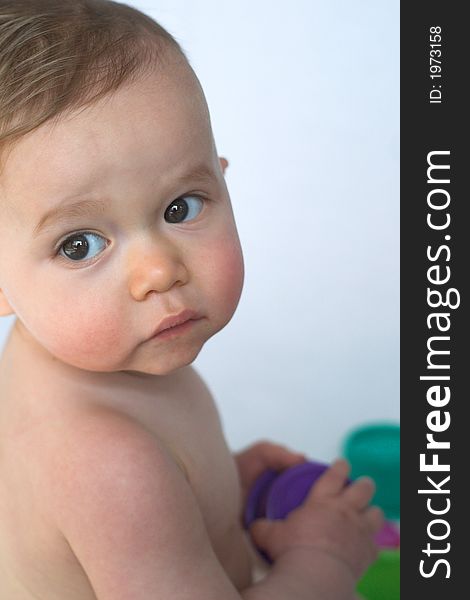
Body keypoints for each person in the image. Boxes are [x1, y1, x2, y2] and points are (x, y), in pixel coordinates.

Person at [0, 1, 384, 598]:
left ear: (222, 180)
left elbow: (131, 531)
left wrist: (218, 484)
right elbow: (124, 501)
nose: (158, 271)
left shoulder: (90, 366)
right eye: (79, 245)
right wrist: (324, 560)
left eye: (181, 207)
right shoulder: (106, 464)